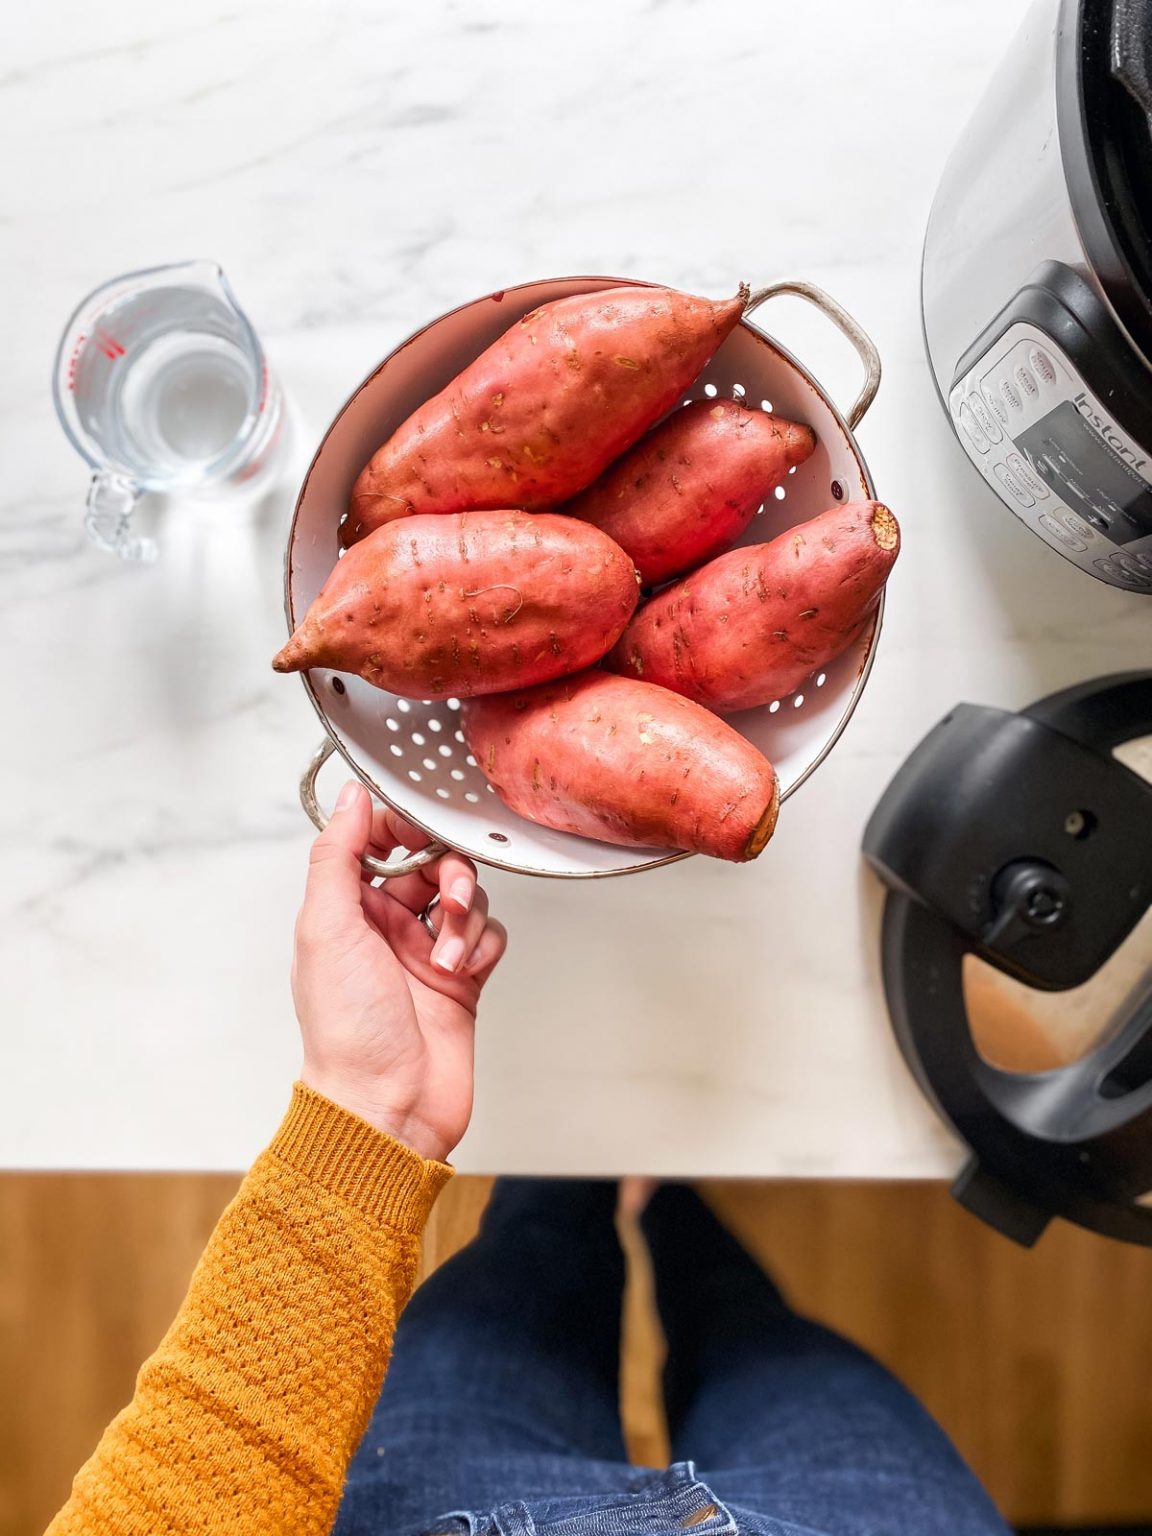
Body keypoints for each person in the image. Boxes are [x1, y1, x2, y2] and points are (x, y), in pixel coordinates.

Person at [46, 781, 1010, 1536]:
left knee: (536, 1253)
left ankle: (609, 1192)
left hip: (452, 1507)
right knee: (749, 1326)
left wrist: (371, 1109)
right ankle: (664, 1200)